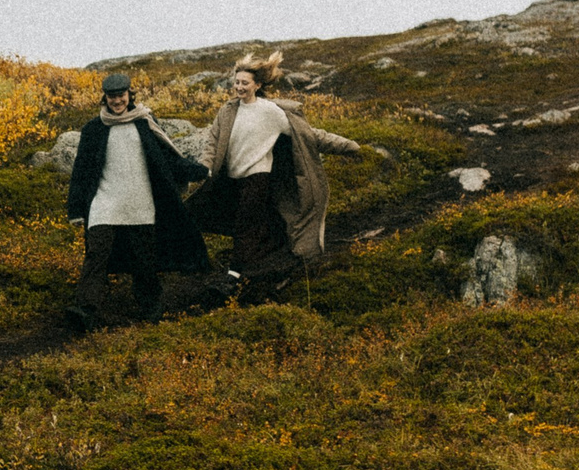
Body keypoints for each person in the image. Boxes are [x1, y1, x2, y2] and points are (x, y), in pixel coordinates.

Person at [187, 51, 382, 300]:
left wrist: (348, 146)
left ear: (258, 85)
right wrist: (204, 167)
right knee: (237, 220)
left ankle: (232, 278)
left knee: (246, 224)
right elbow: (213, 142)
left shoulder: (271, 112)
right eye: (236, 82)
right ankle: (272, 251)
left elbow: (308, 135)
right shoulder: (227, 111)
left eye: (245, 83)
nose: (239, 87)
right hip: (232, 177)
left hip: (258, 176)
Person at [64, 72, 211, 330]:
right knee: (96, 253)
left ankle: (150, 307)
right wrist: (76, 208)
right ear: (104, 98)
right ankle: (85, 310)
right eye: (111, 97)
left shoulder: (145, 122)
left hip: (140, 202)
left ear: (129, 94)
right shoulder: (94, 129)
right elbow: (82, 171)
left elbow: (167, 159)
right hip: (105, 202)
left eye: (121, 95)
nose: (117, 101)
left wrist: (198, 170)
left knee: (144, 258)